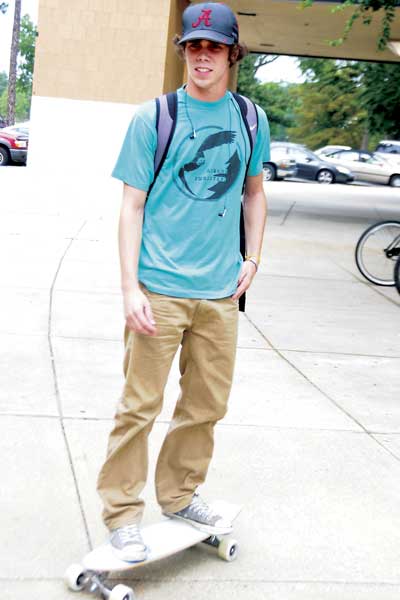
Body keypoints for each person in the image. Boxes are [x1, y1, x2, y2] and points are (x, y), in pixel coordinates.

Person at [97, 1, 270, 563]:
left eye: (213, 46)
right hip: (160, 291)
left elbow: (254, 192)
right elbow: (131, 206)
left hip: (221, 294)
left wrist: (254, 258)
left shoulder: (251, 118)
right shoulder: (155, 117)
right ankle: (123, 514)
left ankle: (178, 495)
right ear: (184, 52)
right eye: (194, 46)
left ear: (231, 53)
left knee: (204, 407)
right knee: (138, 407)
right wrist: (129, 288)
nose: (202, 55)